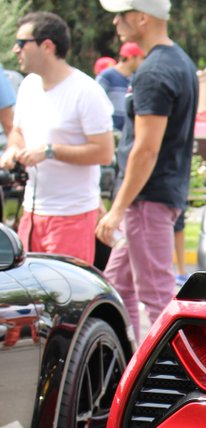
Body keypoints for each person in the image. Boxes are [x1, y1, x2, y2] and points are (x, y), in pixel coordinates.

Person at [95, 0, 198, 342]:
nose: (116, 23)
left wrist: (117, 209)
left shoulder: (155, 70)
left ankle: (167, 386)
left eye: (121, 15)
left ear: (141, 18)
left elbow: (146, 148)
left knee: (158, 301)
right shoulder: (177, 60)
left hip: (147, 200)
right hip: (153, 198)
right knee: (115, 287)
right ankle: (120, 363)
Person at [1, 11, 113, 263]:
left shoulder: (86, 91)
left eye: (21, 43)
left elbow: (104, 152)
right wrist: (12, 150)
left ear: (47, 46)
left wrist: (50, 150)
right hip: (30, 214)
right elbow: (18, 131)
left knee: (65, 298)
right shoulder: (29, 85)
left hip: (72, 216)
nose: (15, 50)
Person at [96, 41, 144, 132]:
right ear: (131, 58)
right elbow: (94, 103)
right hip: (109, 132)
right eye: (141, 58)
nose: (143, 62)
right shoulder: (107, 76)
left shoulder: (134, 79)